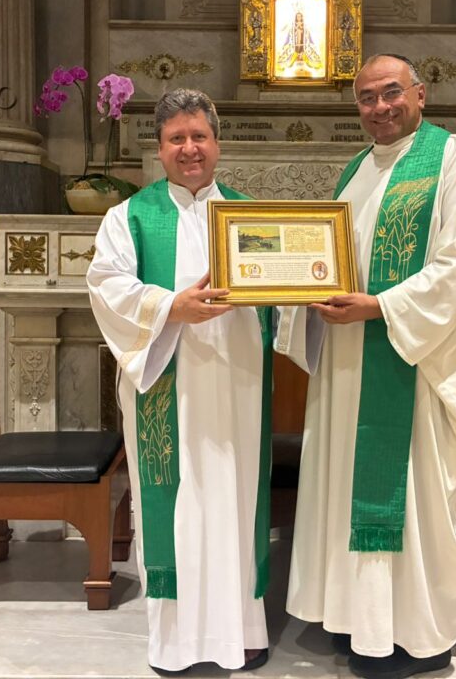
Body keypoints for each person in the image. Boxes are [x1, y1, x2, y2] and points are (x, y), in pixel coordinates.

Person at [276, 54, 456, 679]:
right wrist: (302, 294)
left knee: (408, 492)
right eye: (367, 98)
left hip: (415, 364)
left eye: (391, 93)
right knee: (347, 484)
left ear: (420, 94)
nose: (380, 107)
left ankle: (412, 635)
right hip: (350, 364)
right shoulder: (355, 171)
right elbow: (326, 259)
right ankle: (360, 618)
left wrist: (381, 306)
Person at [87, 89, 272, 675]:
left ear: (218, 144)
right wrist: (172, 307)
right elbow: (107, 286)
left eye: (199, 136)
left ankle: (243, 631)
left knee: (237, 499)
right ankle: (175, 643)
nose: (189, 148)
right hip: (167, 384)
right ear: (159, 148)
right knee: (177, 503)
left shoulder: (250, 215)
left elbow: (283, 289)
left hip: (239, 383)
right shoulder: (130, 217)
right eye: (176, 139)